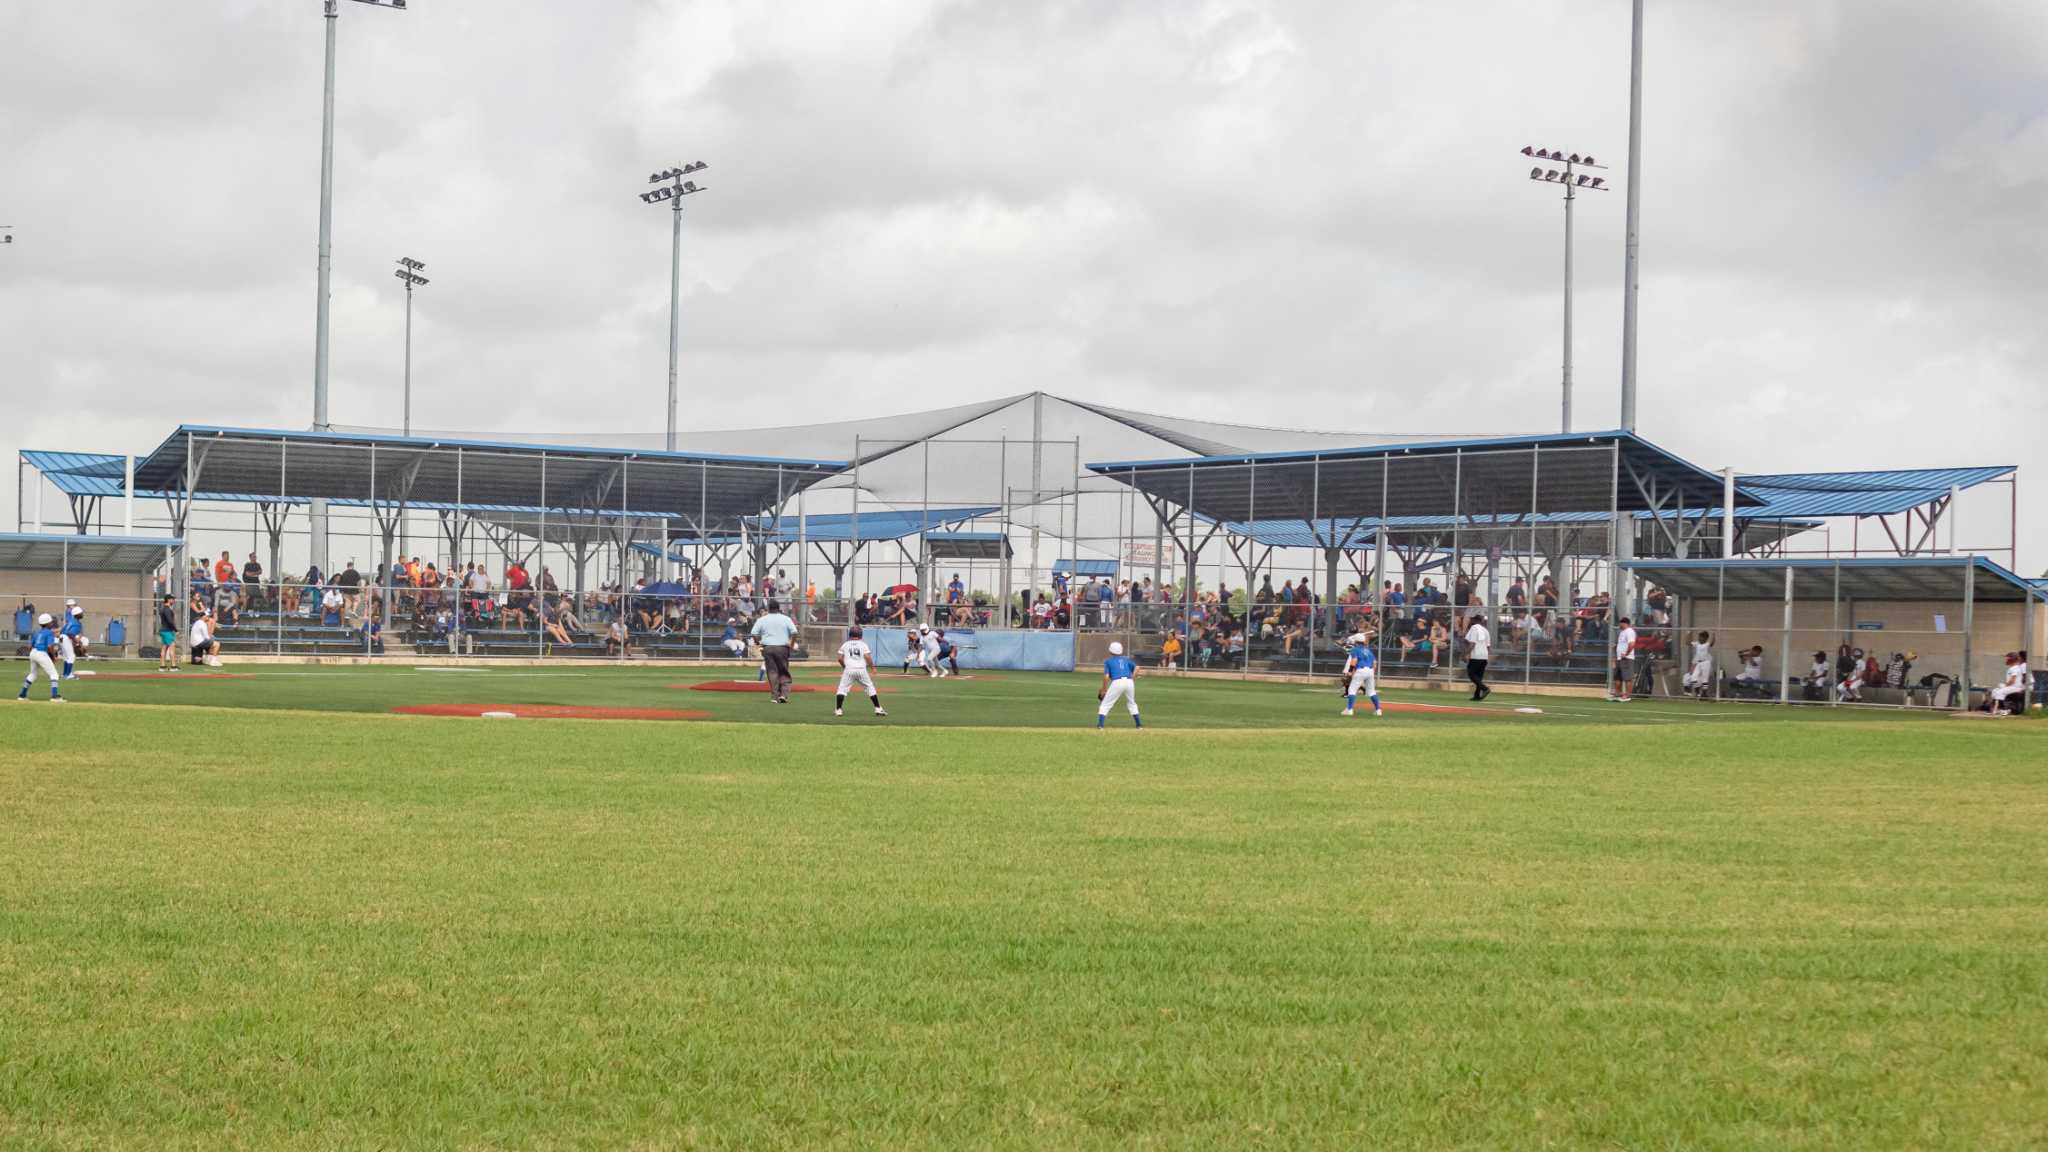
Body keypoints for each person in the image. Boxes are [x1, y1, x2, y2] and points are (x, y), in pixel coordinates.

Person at [750, 598, 799, 703]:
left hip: (768, 647)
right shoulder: (786, 619)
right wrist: (791, 644)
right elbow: (794, 632)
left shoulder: (763, 619)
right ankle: (783, 695)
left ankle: (774, 697)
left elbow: (754, 633)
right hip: (782, 647)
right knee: (783, 671)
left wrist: (759, 644)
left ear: (769, 608)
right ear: (778, 608)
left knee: (772, 672)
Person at [833, 625, 887, 718]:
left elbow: (839, 658)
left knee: (842, 689)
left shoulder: (845, 644)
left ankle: (838, 710)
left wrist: (844, 667)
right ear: (860, 634)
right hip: (861, 670)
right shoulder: (863, 644)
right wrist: (873, 667)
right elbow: (867, 657)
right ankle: (878, 708)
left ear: (850, 634)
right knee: (870, 688)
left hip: (849, 669)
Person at [16, 613, 64, 703]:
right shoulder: (50, 633)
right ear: (47, 623)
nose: (52, 624)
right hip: (41, 653)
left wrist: (34, 656)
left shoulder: (36, 632)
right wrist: (54, 657)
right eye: (50, 622)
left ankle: (22, 695)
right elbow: (50, 647)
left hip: (33, 653)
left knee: (33, 674)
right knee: (54, 674)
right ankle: (54, 696)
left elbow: (30, 646)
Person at [1096, 640, 1142, 730]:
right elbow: (1137, 667)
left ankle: (1100, 725)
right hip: (1129, 682)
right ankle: (1139, 725)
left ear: (1111, 651)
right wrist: (1132, 677)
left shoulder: (1108, 661)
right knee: (1131, 703)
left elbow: (1106, 677)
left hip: (1117, 682)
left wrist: (1104, 690)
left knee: (1105, 704)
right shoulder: (1126, 659)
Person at [1340, 631, 1382, 718]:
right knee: (1371, 692)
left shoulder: (1355, 649)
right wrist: (1371, 672)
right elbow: (1374, 663)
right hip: (1370, 671)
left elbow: (1354, 661)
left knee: (1352, 690)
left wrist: (1350, 671)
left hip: (1361, 670)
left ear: (1356, 641)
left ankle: (1349, 709)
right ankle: (1378, 710)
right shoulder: (1368, 650)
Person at [1463, 612, 1491, 701]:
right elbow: (1488, 646)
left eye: (1472, 619)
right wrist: (1487, 656)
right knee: (1479, 676)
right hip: (1484, 655)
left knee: (1471, 673)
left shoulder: (1474, 628)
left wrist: (1466, 654)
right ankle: (1477, 695)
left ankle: (1485, 688)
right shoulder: (1486, 630)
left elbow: (1472, 643)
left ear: (1475, 620)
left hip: (1476, 655)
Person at [1611, 615, 1638, 702]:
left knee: (1627, 678)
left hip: (1626, 658)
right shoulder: (1622, 632)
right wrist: (1615, 656)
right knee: (1617, 678)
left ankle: (1627, 695)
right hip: (1619, 658)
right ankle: (1618, 693)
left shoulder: (1629, 631)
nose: (1619, 625)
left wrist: (1626, 654)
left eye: (1620, 623)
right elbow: (1621, 645)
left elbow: (1632, 644)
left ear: (1624, 623)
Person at [59, 603, 87, 679]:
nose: (82, 614)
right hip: (66, 638)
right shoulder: (77, 623)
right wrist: (77, 643)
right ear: (77, 614)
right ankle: (68, 675)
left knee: (66, 657)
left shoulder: (70, 621)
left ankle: (65, 674)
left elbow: (62, 630)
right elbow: (70, 633)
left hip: (62, 637)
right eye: (81, 613)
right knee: (71, 656)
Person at [1682, 631, 1713, 698]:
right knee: (1693, 677)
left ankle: (1704, 694)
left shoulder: (1707, 644)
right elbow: (1687, 643)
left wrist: (1713, 635)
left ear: (1705, 638)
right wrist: (1688, 634)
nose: (1699, 638)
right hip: (1698, 663)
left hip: (1706, 662)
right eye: (1699, 637)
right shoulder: (1697, 644)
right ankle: (1698, 692)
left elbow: (1712, 643)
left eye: (1701, 637)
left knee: (1705, 679)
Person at [156, 594, 180, 672]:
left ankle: (162, 666)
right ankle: (173, 666)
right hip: (167, 631)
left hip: (164, 630)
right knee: (172, 646)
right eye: (172, 599)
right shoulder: (167, 609)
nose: (174, 601)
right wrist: (176, 630)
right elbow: (170, 621)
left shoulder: (164, 608)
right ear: (168, 600)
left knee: (164, 648)